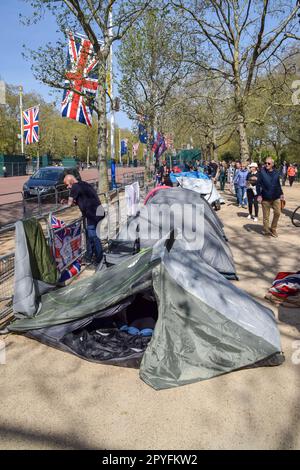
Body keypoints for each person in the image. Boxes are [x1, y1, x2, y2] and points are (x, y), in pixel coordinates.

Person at [63, 175, 104, 264]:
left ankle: (100, 258)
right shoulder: (84, 184)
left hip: (92, 214)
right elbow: (82, 199)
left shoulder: (75, 186)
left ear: (71, 181)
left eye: (67, 184)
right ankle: (89, 256)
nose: (67, 187)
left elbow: (69, 204)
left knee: (94, 237)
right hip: (98, 212)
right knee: (90, 236)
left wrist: (64, 203)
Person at [257, 158, 284, 237]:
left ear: (272, 164)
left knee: (278, 213)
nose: (266, 165)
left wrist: (281, 193)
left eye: (268, 163)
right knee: (266, 216)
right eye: (266, 163)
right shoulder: (262, 172)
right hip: (265, 197)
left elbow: (278, 184)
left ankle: (273, 228)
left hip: (276, 196)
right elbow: (258, 185)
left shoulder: (276, 172)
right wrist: (259, 195)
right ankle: (266, 231)